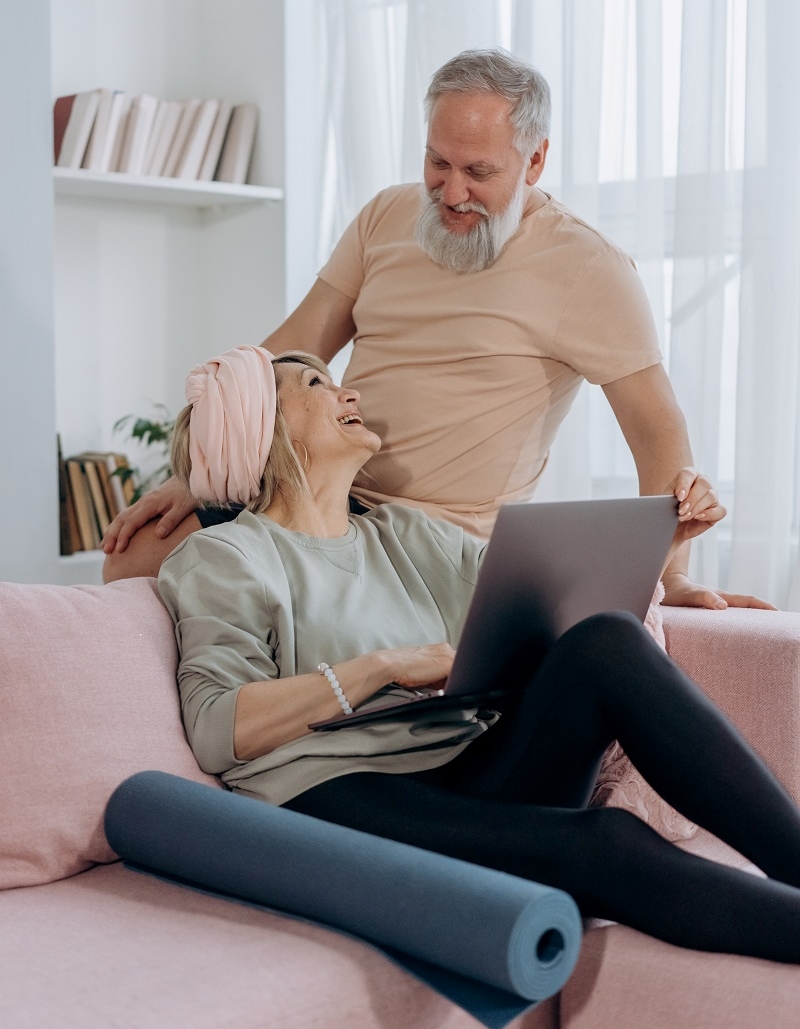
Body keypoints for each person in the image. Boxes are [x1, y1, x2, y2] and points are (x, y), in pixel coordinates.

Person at [157, 344, 800, 964]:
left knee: (607, 641)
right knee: (607, 844)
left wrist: (661, 540)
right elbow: (217, 728)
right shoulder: (223, 557)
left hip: (460, 771)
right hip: (329, 799)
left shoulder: (405, 534)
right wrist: (382, 667)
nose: (348, 391)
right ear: (261, 427)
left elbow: (549, 618)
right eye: (317, 386)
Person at [104, 48, 772, 613]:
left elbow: (657, 425)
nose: (451, 192)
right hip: (320, 498)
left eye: (479, 172)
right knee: (133, 557)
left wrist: (672, 573)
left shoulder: (588, 268)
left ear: (535, 161)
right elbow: (288, 351)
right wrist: (201, 474)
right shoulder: (386, 216)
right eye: (437, 163)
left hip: (434, 543)